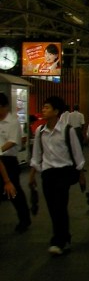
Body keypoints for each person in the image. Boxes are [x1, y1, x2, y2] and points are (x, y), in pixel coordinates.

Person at [29, 96, 86, 256]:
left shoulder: (68, 131)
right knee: (52, 207)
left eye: (47, 107)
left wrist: (81, 174)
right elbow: (37, 155)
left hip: (64, 172)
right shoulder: (40, 131)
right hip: (48, 173)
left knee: (60, 206)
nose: (43, 110)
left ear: (56, 111)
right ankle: (63, 238)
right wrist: (32, 175)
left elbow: (77, 153)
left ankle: (59, 241)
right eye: (43, 107)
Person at [0, 92, 31, 232]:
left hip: (8, 160)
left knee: (15, 191)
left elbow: (12, 141)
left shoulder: (13, 122)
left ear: (4, 107)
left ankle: (24, 219)